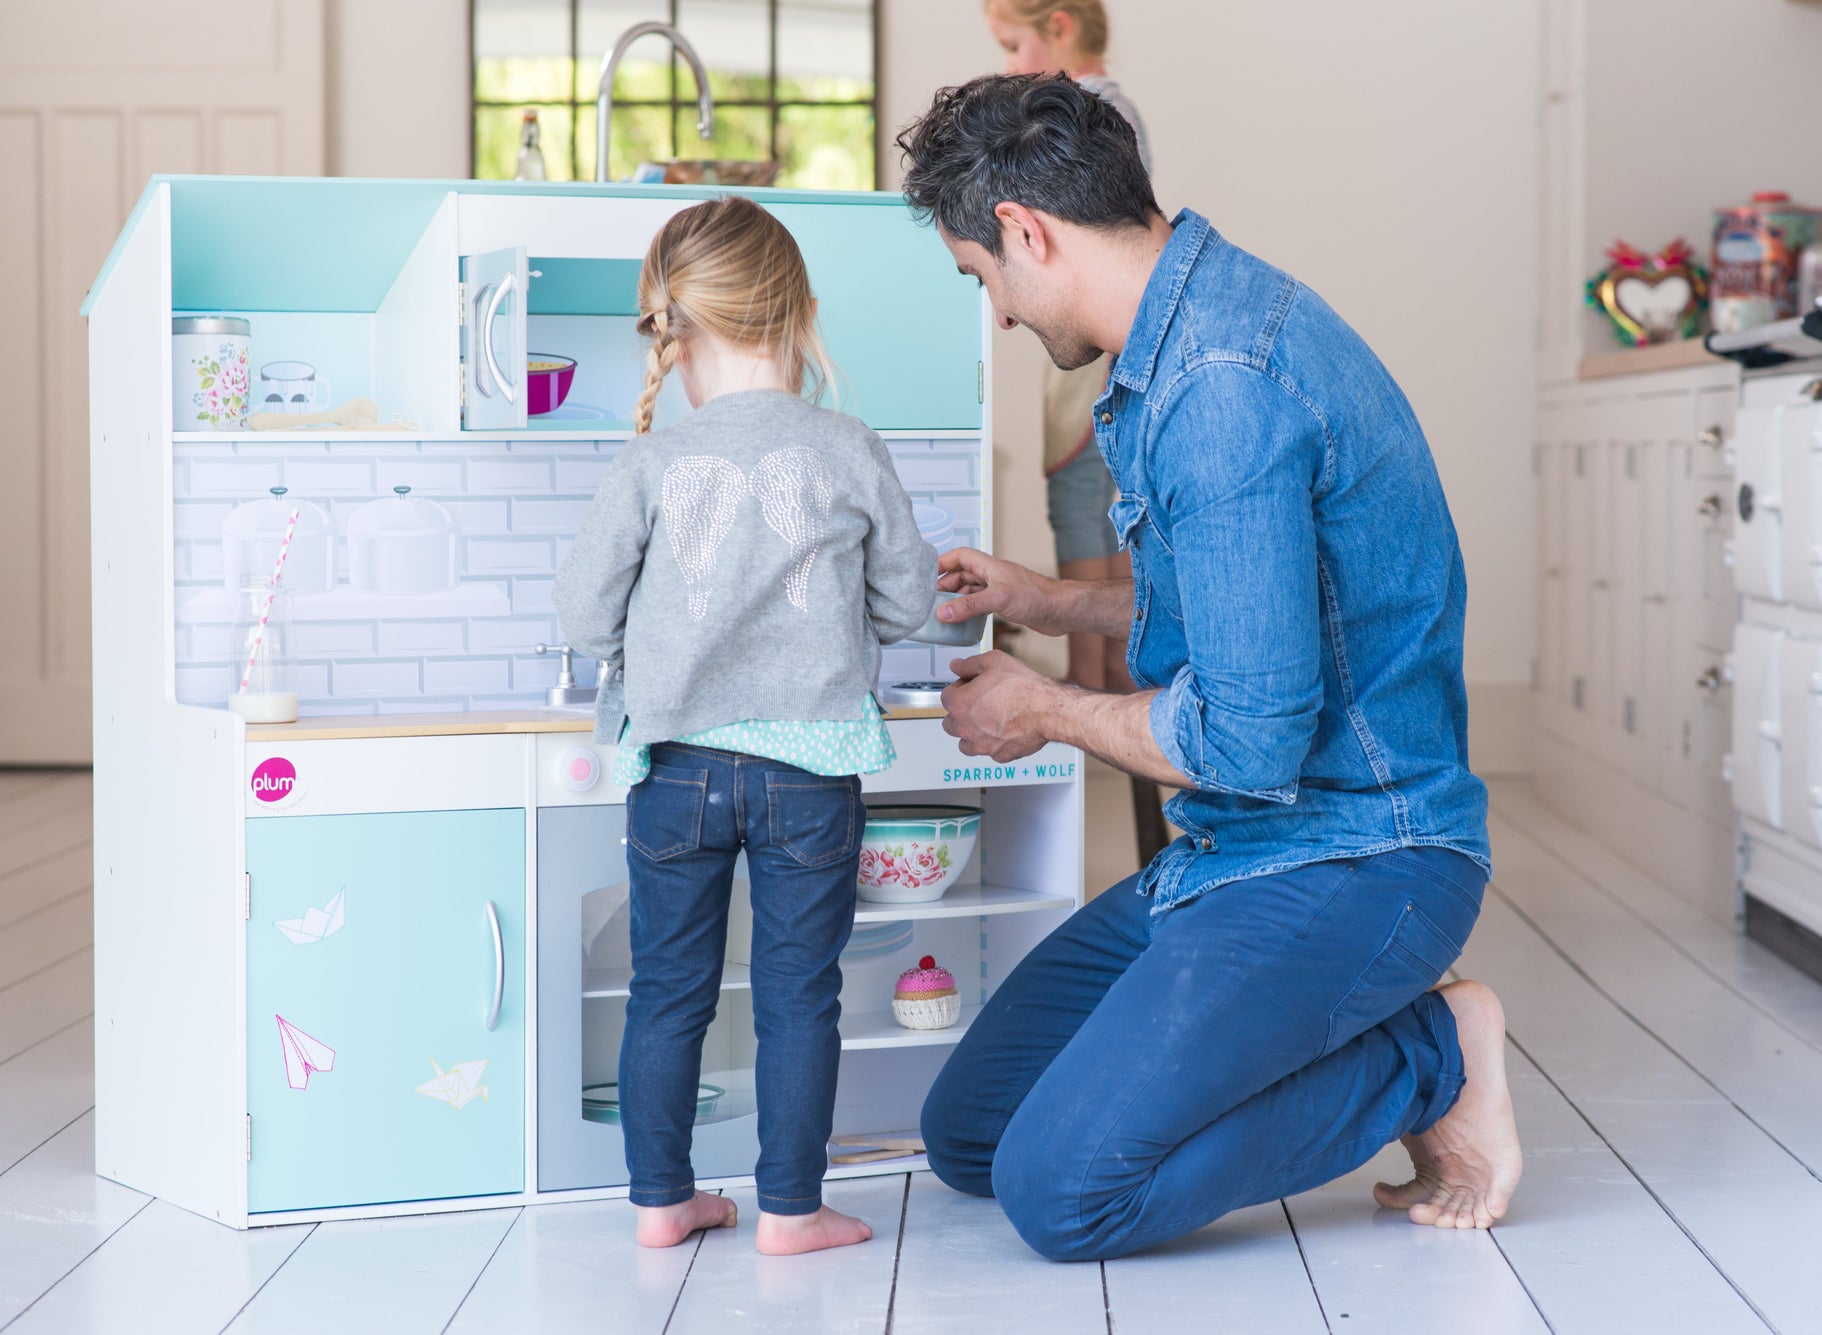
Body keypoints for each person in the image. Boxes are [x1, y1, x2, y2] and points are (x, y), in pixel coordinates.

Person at [897, 74, 1521, 1262]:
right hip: (1235, 854)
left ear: (1025, 231)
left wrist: (1044, 708)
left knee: (1062, 1195)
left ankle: (1430, 1057)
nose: (1005, 317)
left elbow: (1247, 735)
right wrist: (1044, 596)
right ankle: (1354, 1044)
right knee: (973, 1135)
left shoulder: (1217, 391)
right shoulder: (1193, 330)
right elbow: (1254, 614)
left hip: (1357, 856)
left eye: (986, 281)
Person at [554, 196, 937, 1256]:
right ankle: (790, 1211)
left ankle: (661, 1203)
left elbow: (582, 616)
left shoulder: (649, 463)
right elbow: (905, 609)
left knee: (664, 990)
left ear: (672, 330)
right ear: (801, 312)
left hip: (673, 772)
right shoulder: (848, 445)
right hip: (808, 776)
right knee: (795, 997)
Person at [984, 0, 1173, 863]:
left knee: (1099, 529)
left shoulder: (1091, 114)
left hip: (1099, 379)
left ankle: (1109, 712)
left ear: (1059, 27)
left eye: (1015, 43)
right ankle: (1103, 714)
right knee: (1086, 529)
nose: (1014, 63)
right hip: (1088, 379)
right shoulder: (1098, 108)